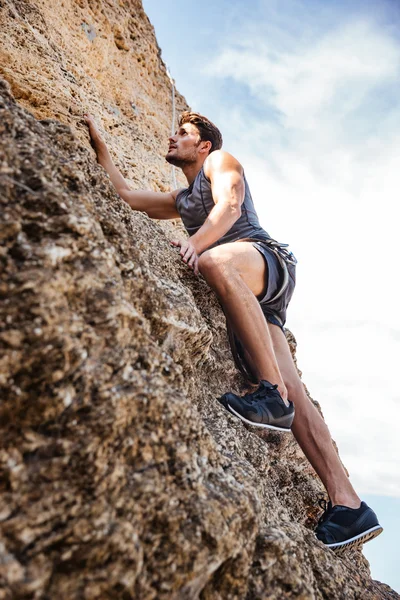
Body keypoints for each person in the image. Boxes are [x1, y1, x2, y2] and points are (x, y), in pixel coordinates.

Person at [84, 111, 382, 552]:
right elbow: (127, 196)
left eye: (182, 134)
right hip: (252, 291)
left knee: (215, 262)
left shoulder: (219, 161)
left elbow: (230, 206)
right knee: (295, 391)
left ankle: (270, 395)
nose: (173, 137)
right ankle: (349, 506)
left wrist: (197, 243)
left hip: (265, 260)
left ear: (203, 146)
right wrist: (99, 146)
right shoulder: (182, 199)